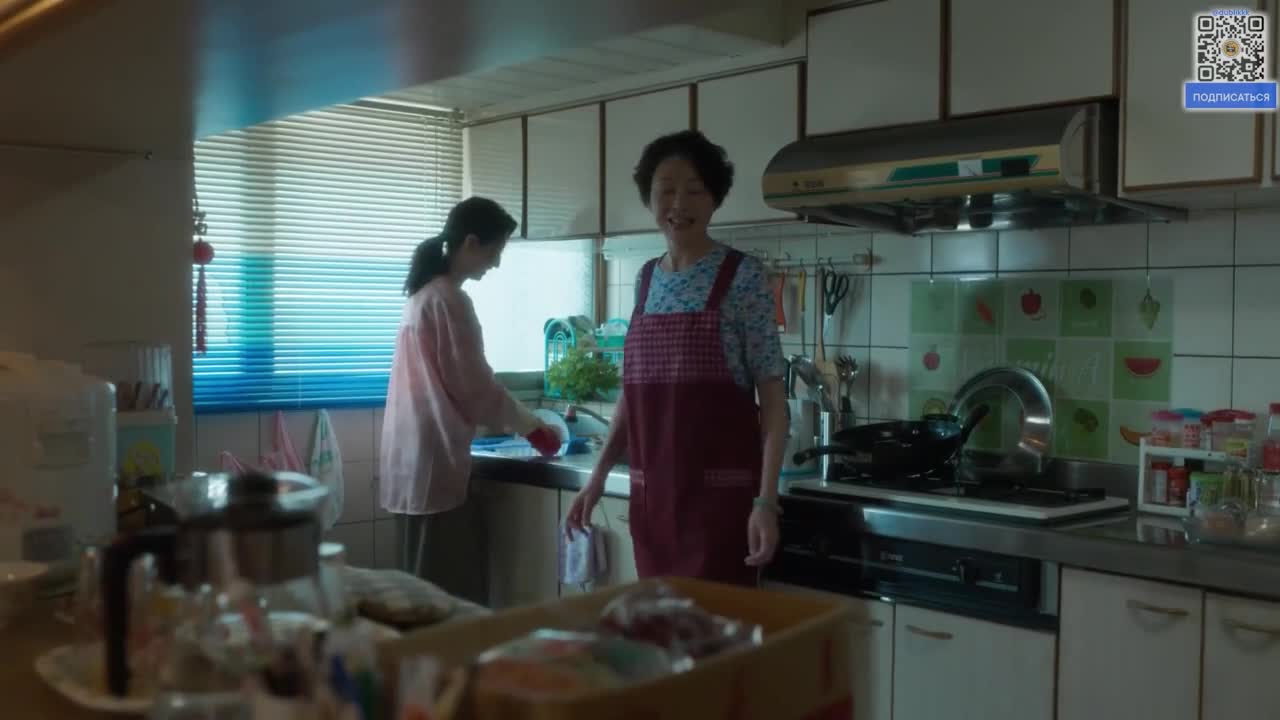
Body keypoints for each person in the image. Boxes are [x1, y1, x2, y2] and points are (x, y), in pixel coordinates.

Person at [565, 130, 788, 586]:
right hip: (653, 506)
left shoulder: (743, 276)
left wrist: (766, 501)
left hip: (720, 507)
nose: (678, 204)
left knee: (714, 627)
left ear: (715, 198)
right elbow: (631, 397)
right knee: (659, 625)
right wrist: (597, 476)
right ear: (649, 199)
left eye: (694, 190)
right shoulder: (646, 279)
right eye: (665, 190)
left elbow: (773, 403)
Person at [380, 196, 555, 600]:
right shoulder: (449, 300)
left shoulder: (421, 296)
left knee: (416, 593)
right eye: (496, 251)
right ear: (472, 243)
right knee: (446, 595)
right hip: (435, 463)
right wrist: (533, 428)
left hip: (410, 462)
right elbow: (475, 386)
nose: (496, 263)